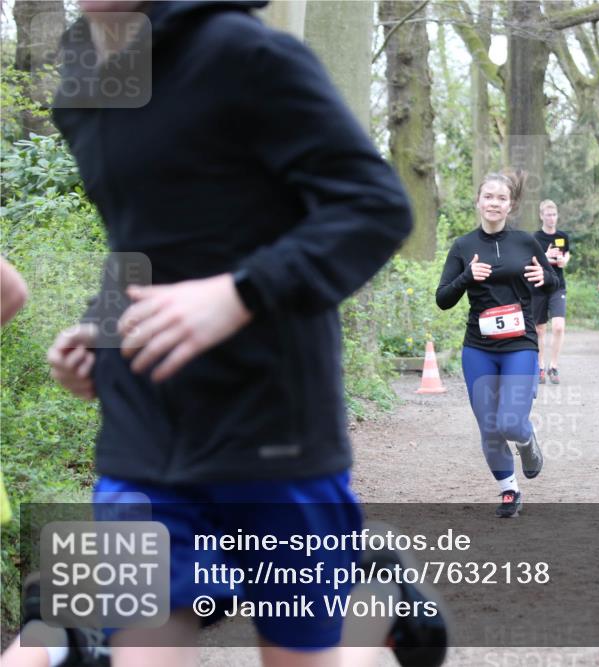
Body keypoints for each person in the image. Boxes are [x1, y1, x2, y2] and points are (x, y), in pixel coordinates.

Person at [43, 2, 444, 666]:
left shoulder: (245, 55)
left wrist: (239, 294)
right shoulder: (85, 77)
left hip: (271, 427)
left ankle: (371, 608)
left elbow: (374, 206)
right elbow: (143, 239)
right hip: (143, 436)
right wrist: (102, 333)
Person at [436, 172, 556, 518]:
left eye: (501, 198)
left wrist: (545, 277)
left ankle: (527, 439)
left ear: (510, 205)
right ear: (478, 201)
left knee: (510, 422)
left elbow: (550, 281)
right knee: (489, 427)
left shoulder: (525, 242)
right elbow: (443, 299)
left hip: (520, 344)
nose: (494, 203)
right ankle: (509, 490)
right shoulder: (462, 246)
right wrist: (466, 277)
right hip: (479, 348)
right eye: (488, 196)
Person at [531, 200, 571, 385]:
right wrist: (545, 257)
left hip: (557, 286)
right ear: (541, 216)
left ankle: (553, 366)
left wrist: (564, 261)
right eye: (548, 215)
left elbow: (566, 254)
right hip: (539, 286)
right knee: (540, 329)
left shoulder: (562, 236)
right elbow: (530, 260)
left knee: (558, 326)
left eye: (554, 215)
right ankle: (540, 367)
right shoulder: (535, 238)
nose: (551, 218)